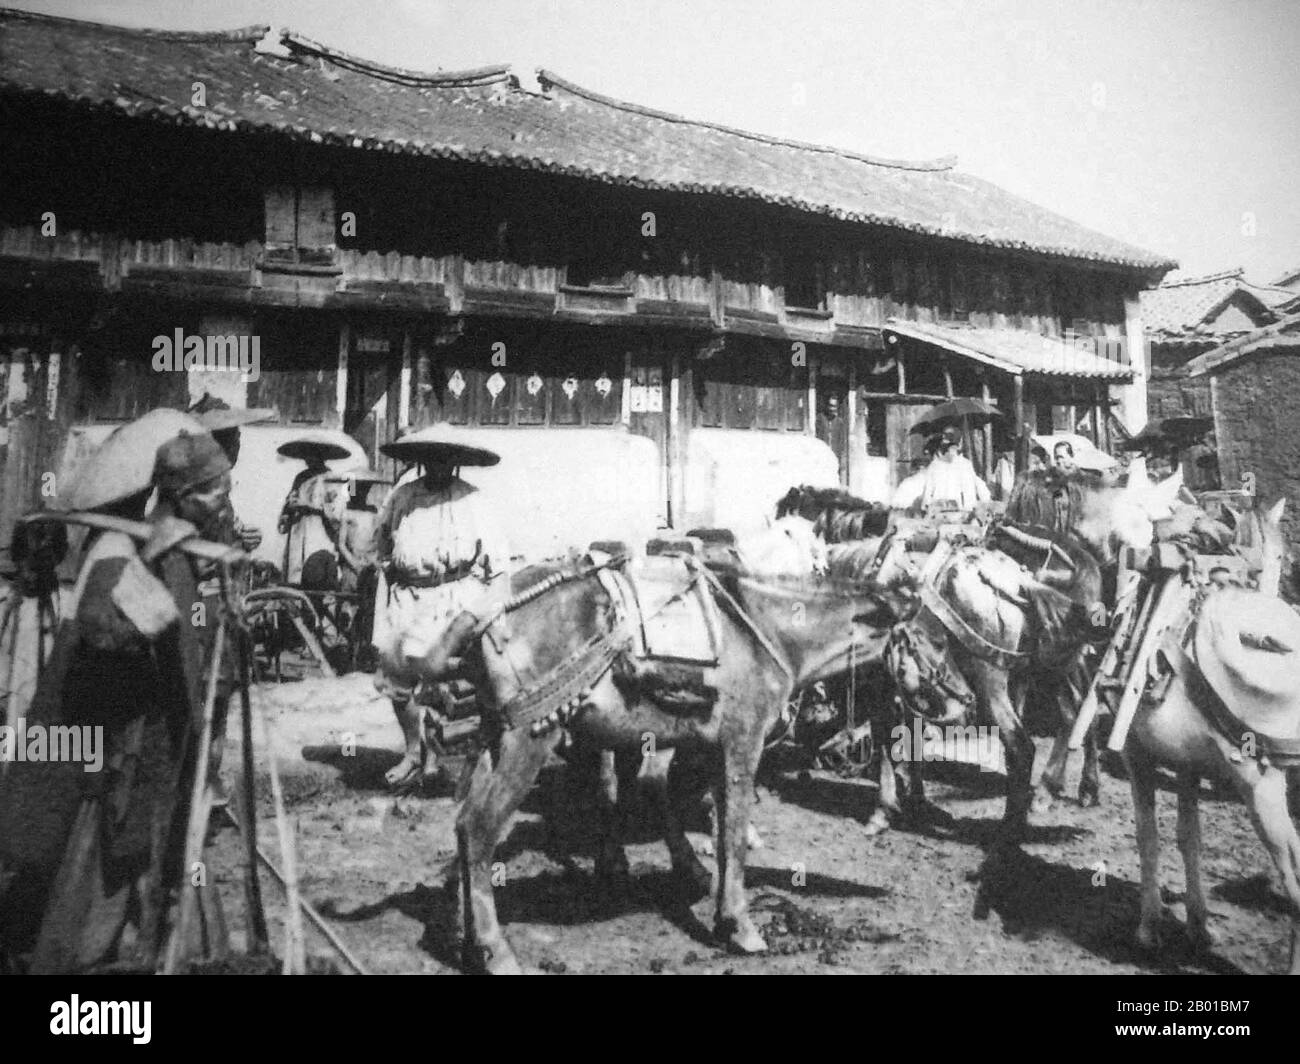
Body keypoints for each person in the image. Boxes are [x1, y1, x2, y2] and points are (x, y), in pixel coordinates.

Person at [0, 412, 235, 973]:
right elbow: (103, 632)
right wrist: (149, 582)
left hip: (150, 739)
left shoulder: (180, 545)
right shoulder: (120, 549)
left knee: (147, 857)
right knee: (81, 870)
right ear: (182, 495)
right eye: (215, 495)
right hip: (101, 742)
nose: (224, 506)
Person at [371, 426, 510, 791]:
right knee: (398, 681)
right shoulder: (402, 497)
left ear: (456, 461)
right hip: (407, 598)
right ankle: (413, 753)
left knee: (442, 683)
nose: (439, 465)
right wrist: (398, 577)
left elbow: (497, 568)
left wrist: (476, 608)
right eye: (431, 458)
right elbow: (381, 546)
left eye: (446, 458)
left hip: (452, 597)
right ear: (421, 460)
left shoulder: (473, 501)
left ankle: (443, 759)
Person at [276, 436, 350, 585]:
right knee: (296, 576)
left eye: (312, 454)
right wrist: (288, 509)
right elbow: (288, 506)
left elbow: (337, 512)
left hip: (318, 533)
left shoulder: (332, 479)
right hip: (298, 531)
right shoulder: (300, 478)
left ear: (321, 456)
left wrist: (309, 506)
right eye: (306, 455)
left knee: (316, 573)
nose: (308, 459)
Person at [911, 424, 990, 514]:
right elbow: (978, 494)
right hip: (961, 516)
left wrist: (926, 507)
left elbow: (926, 499)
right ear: (959, 444)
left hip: (940, 516)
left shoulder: (935, 465)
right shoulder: (965, 465)